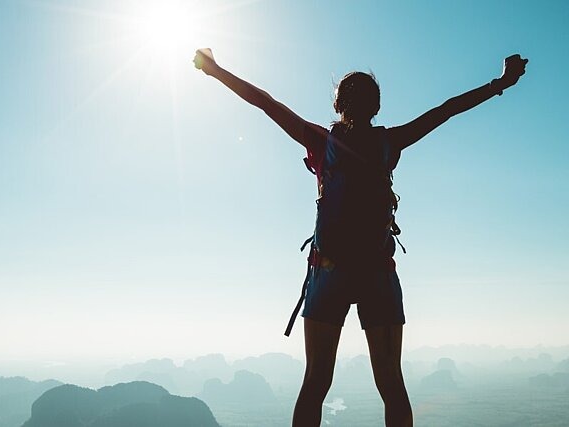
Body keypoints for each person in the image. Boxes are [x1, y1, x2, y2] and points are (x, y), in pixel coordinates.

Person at [194, 48, 527, 427]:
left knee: (316, 381)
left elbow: (266, 103)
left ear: (338, 104)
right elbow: (446, 109)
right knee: (391, 384)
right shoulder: (390, 143)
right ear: (377, 106)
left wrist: (215, 70)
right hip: (377, 274)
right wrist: (500, 83)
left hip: (328, 272)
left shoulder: (322, 142)